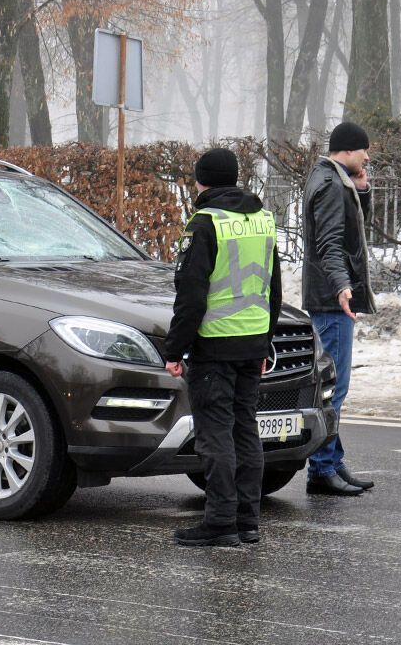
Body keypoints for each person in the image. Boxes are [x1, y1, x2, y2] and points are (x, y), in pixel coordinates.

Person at [164, 148, 281, 547]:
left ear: (202, 181)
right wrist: (265, 340)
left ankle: (220, 521)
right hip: (252, 341)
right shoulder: (263, 219)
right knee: (245, 430)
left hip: (215, 344)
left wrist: (173, 349)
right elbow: (274, 287)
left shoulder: (205, 222)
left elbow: (191, 295)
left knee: (215, 435)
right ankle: (248, 521)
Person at [300, 121, 377, 496]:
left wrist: (361, 192)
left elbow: (350, 232)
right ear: (348, 149)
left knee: (333, 385)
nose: (367, 157)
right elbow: (330, 244)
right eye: (364, 149)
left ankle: (333, 461)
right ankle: (322, 468)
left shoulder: (332, 179)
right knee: (334, 387)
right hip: (331, 302)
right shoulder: (330, 184)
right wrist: (342, 286)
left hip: (330, 298)